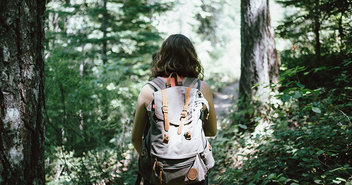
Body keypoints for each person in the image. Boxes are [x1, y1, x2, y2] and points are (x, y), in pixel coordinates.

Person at [131, 34, 217, 185]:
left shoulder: (149, 90)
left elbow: (136, 138)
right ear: (191, 57)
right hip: (193, 172)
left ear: (162, 57)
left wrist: (155, 161)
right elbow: (211, 131)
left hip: (159, 173)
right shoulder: (201, 88)